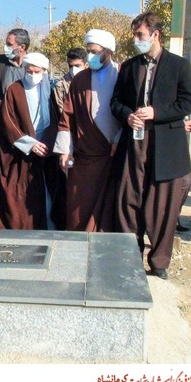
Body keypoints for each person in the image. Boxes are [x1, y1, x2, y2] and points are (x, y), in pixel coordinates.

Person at [110, 12, 191, 280]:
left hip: (166, 146)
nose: (136, 40)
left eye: (140, 35)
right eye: (135, 35)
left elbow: (188, 103)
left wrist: (156, 112)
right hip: (133, 143)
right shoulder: (129, 66)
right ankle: (129, 257)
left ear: (155, 34)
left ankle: (159, 262)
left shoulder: (179, 65)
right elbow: (116, 102)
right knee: (129, 199)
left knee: (162, 206)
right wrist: (128, 115)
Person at [0, 53, 65, 230]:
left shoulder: (48, 91)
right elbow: (8, 121)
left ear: (44, 71)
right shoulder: (14, 89)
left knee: (46, 192)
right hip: (19, 151)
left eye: (37, 71)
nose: (32, 75)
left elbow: (54, 120)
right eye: (29, 71)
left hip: (44, 150)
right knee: (17, 193)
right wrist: (29, 144)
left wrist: (47, 143)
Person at [54, 30, 121, 232]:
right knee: (79, 204)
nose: (90, 56)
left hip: (114, 154)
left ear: (108, 51)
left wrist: (119, 139)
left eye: (95, 52)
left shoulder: (122, 75)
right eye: (88, 51)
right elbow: (67, 116)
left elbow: (128, 112)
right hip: (85, 157)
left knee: (112, 205)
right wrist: (65, 150)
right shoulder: (80, 79)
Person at [0, 29, 30, 167]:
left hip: (25, 126)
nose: (6, 47)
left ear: (22, 47)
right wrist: (1, 105)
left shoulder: (32, 65)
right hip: (0, 124)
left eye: (9, 44)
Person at [53, 47, 88, 114]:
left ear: (86, 65)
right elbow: (61, 110)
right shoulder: (61, 85)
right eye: (71, 66)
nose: (73, 69)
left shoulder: (93, 82)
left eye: (77, 66)